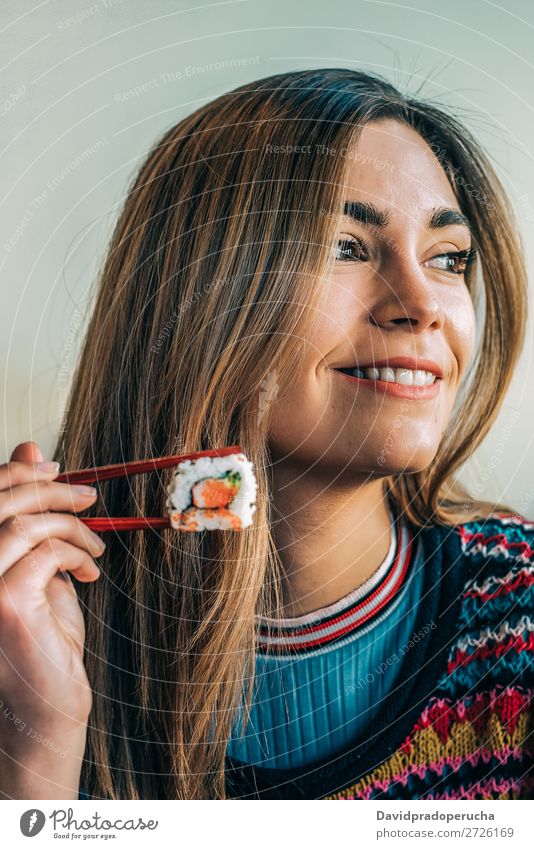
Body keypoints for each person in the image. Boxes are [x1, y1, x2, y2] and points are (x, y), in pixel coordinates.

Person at [0, 68, 532, 801]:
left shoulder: (522, 621)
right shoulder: (31, 633)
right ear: (201, 296)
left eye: (448, 258)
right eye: (345, 246)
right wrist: (37, 750)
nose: (423, 305)